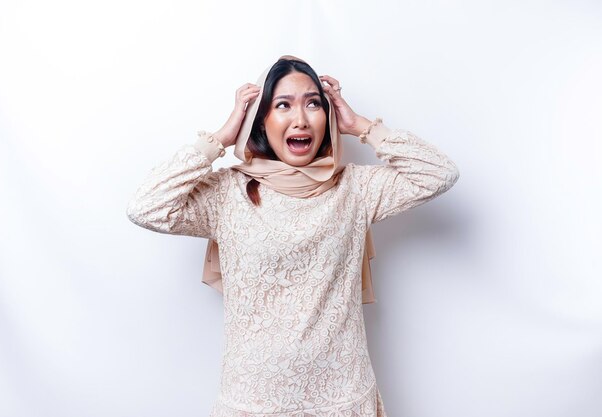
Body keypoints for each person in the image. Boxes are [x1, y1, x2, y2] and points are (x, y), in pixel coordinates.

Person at [126, 55, 460, 417]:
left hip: (341, 397)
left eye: (313, 104)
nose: (300, 119)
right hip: (253, 400)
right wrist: (220, 139)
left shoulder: (356, 189)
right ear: (260, 120)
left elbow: (439, 173)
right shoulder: (227, 194)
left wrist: (362, 125)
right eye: (282, 105)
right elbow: (146, 206)